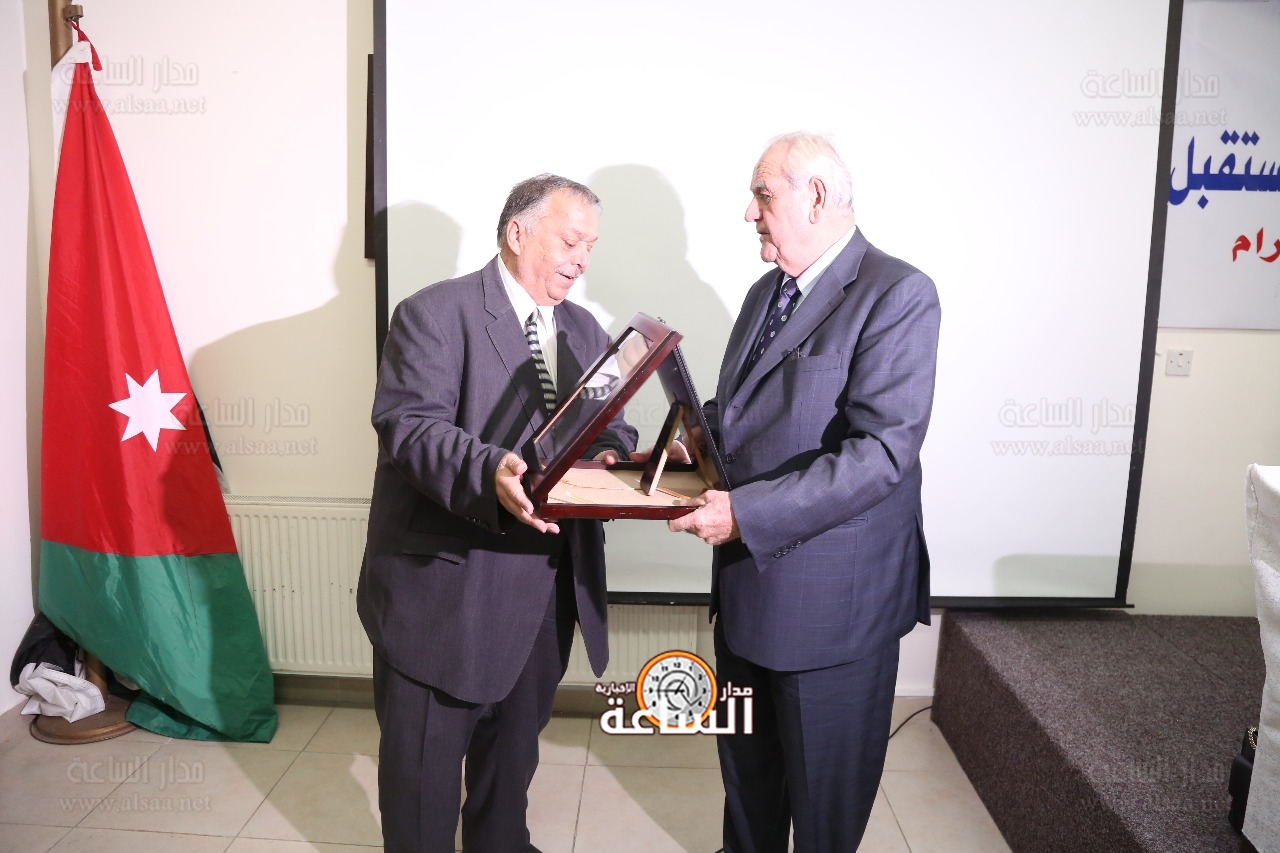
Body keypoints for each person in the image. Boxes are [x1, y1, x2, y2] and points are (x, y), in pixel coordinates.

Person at [669, 132, 940, 852]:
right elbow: (742, 413)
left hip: (832, 617)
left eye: (762, 195)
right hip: (747, 599)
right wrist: (689, 444)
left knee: (822, 821)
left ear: (816, 197)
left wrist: (744, 513)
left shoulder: (898, 294)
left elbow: (881, 453)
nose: (749, 213)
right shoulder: (766, 292)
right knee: (748, 802)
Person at [357, 174, 638, 853]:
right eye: (570, 242)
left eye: (591, 247)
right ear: (518, 233)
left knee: (508, 779)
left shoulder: (584, 329)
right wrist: (490, 471)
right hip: (446, 601)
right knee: (422, 793)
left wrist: (611, 455)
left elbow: (612, 426)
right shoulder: (433, 313)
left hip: (544, 600)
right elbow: (410, 428)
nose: (582, 260)